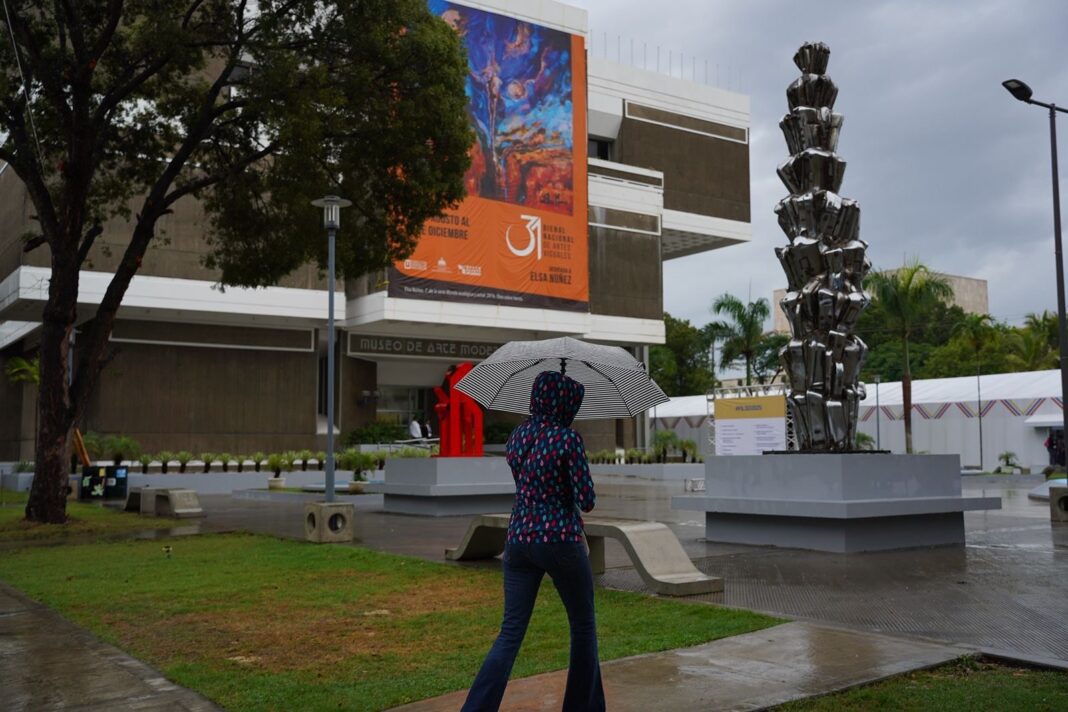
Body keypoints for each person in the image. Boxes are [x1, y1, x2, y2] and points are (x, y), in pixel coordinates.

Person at [462, 370, 604, 712]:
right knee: (583, 626)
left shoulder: (518, 436)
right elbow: (586, 499)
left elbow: (532, 483)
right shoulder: (568, 439)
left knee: (509, 633)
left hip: (519, 539)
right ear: (566, 403)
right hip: (559, 539)